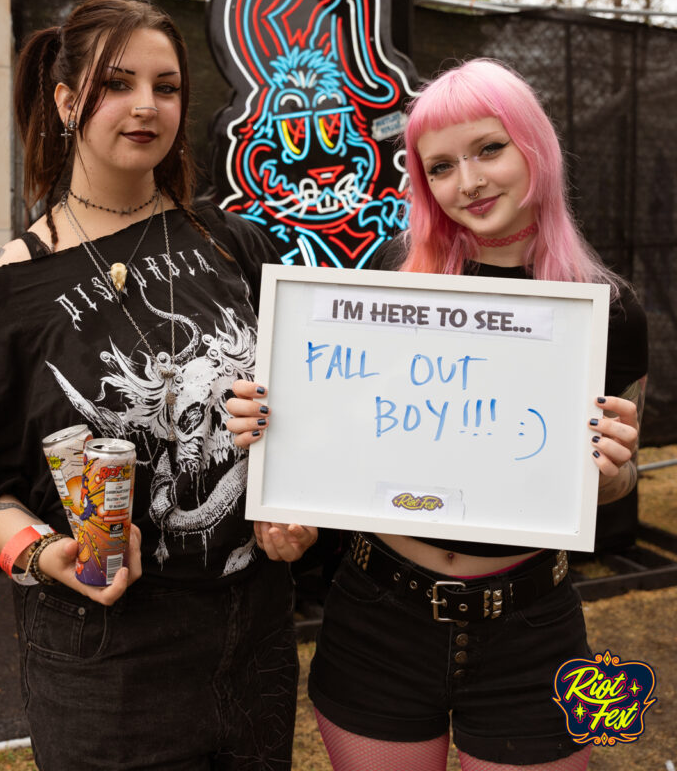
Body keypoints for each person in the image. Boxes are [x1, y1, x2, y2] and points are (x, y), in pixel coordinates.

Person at [0, 0, 316, 771]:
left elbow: (301, 415)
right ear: (66, 101)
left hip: (255, 630)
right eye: (117, 83)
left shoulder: (236, 246)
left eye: (166, 87)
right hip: (108, 656)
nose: (146, 106)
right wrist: (36, 551)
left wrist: (296, 509)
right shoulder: (5, 291)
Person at [229, 59, 647, 771]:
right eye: (442, 166)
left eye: (490, 149)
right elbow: (352, 439)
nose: (471, 181)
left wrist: (613, 473)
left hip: (532, 627)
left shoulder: (608, 311)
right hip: (378, 620)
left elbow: (609, 501)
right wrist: (272, 434)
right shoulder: (393, 281)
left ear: (535, 148)